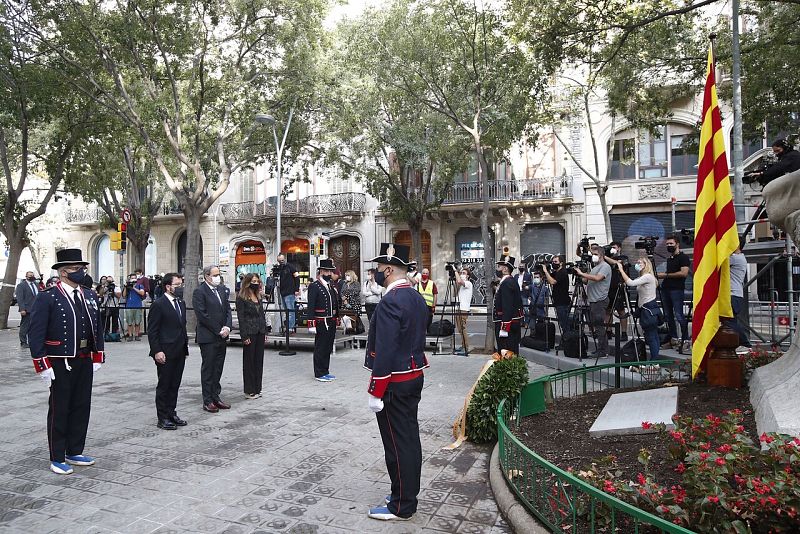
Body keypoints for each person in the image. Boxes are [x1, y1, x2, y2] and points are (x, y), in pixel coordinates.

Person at [364, 243, 429, 521]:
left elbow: (386, 349)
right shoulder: (415, 296)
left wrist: (375, 390)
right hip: (413, 376)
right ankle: (405, 493)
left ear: (389, 270)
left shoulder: (391, 300)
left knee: (397, 445)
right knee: (409, 440)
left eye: (379, 268)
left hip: (394, 383)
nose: (376, 273)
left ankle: (402, 505)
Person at [28, 249, 105, 475]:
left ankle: (74, 450)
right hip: (60, 361)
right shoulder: (48, 297)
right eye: (76, 269)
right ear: (63, 272)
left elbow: (97, 327)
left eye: (82, 268)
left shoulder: (89, 295)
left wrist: (98, 354)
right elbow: (36, 333)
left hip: (84, 358)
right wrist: (42, 364)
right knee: (60, 408)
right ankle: (57, 456)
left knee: (81, 405)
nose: (81, 272)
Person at [147, 273, 189, 430]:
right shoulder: (159, 304)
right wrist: (157, 351)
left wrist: (185, 348)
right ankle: (162, 417)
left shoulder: (181, 303)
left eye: (181, 284)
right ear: (168, 287)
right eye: (177, 285)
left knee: (175, 384)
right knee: (164, 385)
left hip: (179, 350)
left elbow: (181, 327)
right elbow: (153, 330)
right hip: (165, 351)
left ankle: (172, 413)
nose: (180, 287)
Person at [193, 265, 233, 413]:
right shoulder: (200, 291)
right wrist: (218, 330)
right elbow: (202, 315)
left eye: (218, 275)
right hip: (208, 337)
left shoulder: (221, 290)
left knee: (218, 368)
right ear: (207, 276)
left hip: (222, 336)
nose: (218, 277)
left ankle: (216, 396)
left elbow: (227, 310)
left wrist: (227, 327)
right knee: (208, 369)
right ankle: (208, 400)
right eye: (215, 275)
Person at [618, 257, 661, 360]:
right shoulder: (643, 277)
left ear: (646, 265)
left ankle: (654, 361)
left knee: (651, 336)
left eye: (640, 263)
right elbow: (630, 282)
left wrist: (621, 270)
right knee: (652, 335)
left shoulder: (648, 277)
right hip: (646, 308)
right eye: (637, 262)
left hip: (648, 309)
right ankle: (655, 359)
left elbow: (630, 283)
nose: (637, 264)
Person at [306, 258, 340, 382]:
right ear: (321, 271)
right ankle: (319, 373)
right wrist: (311, 323)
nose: (329, 274)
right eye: (326, 271)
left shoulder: (331, 286)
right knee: (320, 348)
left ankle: (325, 371)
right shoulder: (315, 286)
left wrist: (337, 318)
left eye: (330, 271)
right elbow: (311, 306)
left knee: (327, 347)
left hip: (331, 321)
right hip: (321, 322)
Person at [575, 245, 612, 358]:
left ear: (602, 255)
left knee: (600, 327)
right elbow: (587, 281)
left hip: (599, 300)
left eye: (596, 255)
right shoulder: (595, 267)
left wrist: (582, 273)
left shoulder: (605, 266)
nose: (593, 257)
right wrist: (579, 275)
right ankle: (600, 349)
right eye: (593, 255)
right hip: (593, 300)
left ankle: (603, 351)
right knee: (596, 326)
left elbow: (597, 278)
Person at [235, 273, 267, 398]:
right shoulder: (241, 298)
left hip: (260, 331)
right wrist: (244, 336)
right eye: (253, 281)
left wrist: (265, 331)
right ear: (248, 282)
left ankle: (257, 387)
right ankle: (249, 389)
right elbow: (241, 318)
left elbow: (262, 315)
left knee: (259, 361)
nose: (256, 283)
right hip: (249, 332)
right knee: (249, 362)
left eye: (257, 281)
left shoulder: (258, 296)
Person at [657, 235, 691, 354]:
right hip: (666, 289)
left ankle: (686, 340)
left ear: (677, 244)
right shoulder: (670, 258)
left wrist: (665, 275)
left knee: (679, 315)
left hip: (677, 290)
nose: (669, 246)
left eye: (671, 243)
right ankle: (674, 339)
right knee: (668, 315)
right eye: (667, 244)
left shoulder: (683, 257)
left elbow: (684, 273)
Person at [493, 254, 524, 354]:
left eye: (499, 267)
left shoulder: (507, 283)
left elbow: (507, 306)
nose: (497, 269)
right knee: (509, 351)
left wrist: (504, 328)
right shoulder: (508, 281)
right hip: (508, 322)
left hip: (507, 324)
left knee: (506, 351)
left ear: (505, 269)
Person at [603, 241, 629, 341]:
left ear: (619, 248)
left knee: (621, 310)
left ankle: (624, 333)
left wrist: (604, 256)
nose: (612, 249)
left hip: (619, 288)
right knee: (608, 311)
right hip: (608, 288)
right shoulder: (606, 259)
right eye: (611, 247)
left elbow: (617, 263)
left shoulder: (623, 258)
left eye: (614, 247)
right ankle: (609, 331)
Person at [726, 248, 751, 347]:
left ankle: (745, 343)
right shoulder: (740, 258)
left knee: (729, 322)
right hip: (735, 294)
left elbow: (718, 263)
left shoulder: (735, 258)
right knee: (731, 321)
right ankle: (740, 343)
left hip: (733, 295)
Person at [543, 255, 571, 335]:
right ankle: (565, 338)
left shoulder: (562, 272)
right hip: (558, 301)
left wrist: (545, 271)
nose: (553, 263)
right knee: (562, 323)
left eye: (555, 262)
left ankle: (567, 339)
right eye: (552, 262)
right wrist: (545, 270)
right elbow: (548, 279)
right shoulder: (556, 272)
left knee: (564, 324)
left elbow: (552, 282)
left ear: (561, 263)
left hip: (562, 302)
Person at [275, 254, 300, 334]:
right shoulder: (279, 268)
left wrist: (296, 289)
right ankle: (289, 327)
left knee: (290, 311)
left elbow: (297, 277)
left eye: (282, 260)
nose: (281, 262)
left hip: (289, 292)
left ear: (285, 259)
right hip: (283, 292)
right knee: (287, 311)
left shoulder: (290, 267)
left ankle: (290, 328)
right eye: (279, 261)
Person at [16, 271, 39, 348]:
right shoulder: (21, 285)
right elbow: (20, 298)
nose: (32, 277)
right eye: (30, 276)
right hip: (27, 309)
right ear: (26, 277)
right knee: (25, 326)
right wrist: (22, 309)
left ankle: (32, 341)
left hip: (36, 309)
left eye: (32, 275)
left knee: (34, 326)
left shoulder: (36, 284)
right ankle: (23, 342)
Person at [454, 267, 473, 356]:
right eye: (461, 273)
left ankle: (466, 347)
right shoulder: (461, 285)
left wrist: (455, 271)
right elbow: (454, 293)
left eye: (464, 273)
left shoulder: (468, 283)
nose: (462, 274)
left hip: (463, 309)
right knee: (460, 329)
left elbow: (459, 281)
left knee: (463, 328)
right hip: (458, 308)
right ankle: (463, 345)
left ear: (468, 276)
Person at [123, 273, 146, 341]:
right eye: (132, 278)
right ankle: (130, 335)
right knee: (129, 322)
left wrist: (133, 288)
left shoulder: (140, 285)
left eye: (134, 278)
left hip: (138, 305)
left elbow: (142, 293)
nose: (133, 279)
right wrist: (126, 287)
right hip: (129, 306)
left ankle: (136, 335)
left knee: (137, 322)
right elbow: (123, 295)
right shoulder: (128, 286)